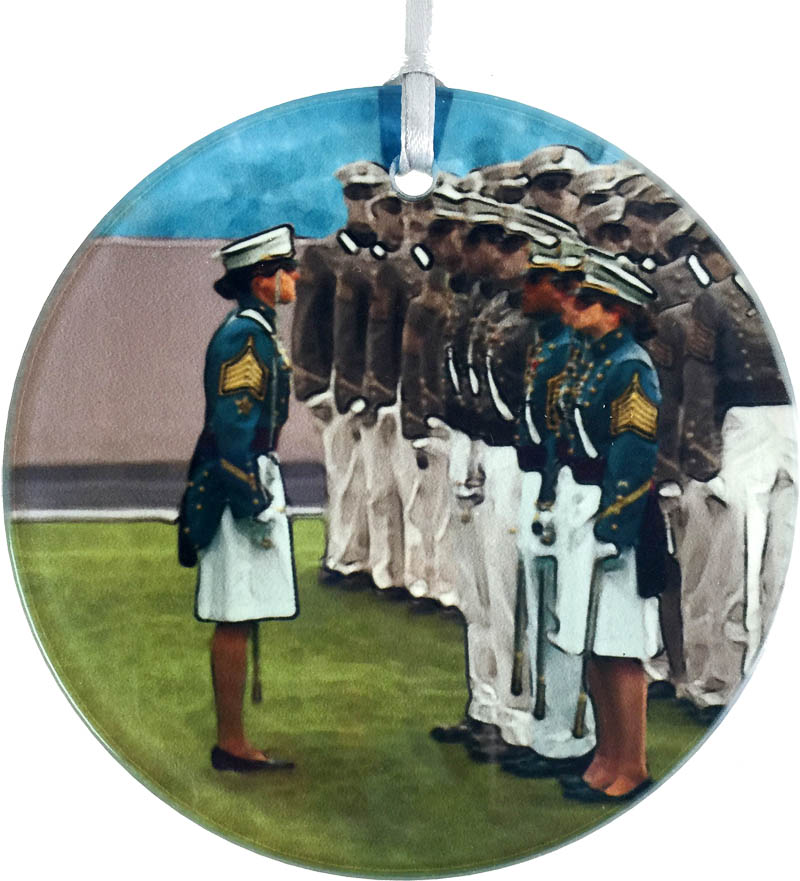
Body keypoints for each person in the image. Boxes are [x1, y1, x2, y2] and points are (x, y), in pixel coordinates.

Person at [525, 252, 663, 802]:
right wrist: (550, 496)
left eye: (586, 301)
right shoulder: (587, 358)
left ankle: (633, 765)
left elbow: (634, 450)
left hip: (613, 512)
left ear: (617, 311)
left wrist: (614, 528)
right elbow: (560, 435)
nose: (572, 306)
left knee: (620, 645)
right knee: (592, 642)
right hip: (579, 504)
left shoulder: (631, 367)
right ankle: (606, 756)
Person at [178, 224, 298, 773]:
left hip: (248, 473)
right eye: (286, 270)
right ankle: (231, 743)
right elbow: (232, 426)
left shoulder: (257, 331)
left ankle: (234, 739)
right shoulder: (246, 338)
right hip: (237, 482)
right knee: (234, 613)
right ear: (261, 279)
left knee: (240, 614)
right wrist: (253, 498)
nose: (294, 278)